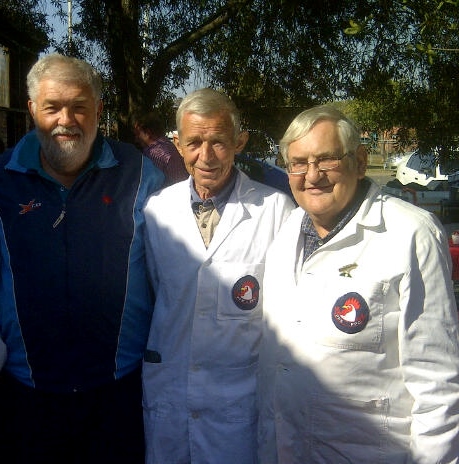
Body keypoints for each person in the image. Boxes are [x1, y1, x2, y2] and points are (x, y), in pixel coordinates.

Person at [257, 104, 459, 463]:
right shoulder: (286, 233)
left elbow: (437, 384)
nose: (312, 175)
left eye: (327, 159)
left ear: (360, 161)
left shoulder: (411, 233)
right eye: (298, 163)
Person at [0, 53, 164, 463]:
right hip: (26, 395)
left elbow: (174, 273)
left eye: (79, 107)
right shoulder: (2, 178)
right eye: (52, 107)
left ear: (99, 110)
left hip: (120, 394)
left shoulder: (140, 174)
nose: (66, 120)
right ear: (32, 109)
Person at [142, 88, 295, 463]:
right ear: (178, 145)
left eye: (219, 142)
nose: (206, 156)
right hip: (171, 395)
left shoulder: (277, 211)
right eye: (194, 142)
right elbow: (158, 292)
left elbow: (288, 314)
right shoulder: (157, 211)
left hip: (239, 403)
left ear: (240, 142)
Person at [133, 111, 189, 186]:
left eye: (137, 134)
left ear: (148, 132)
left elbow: (179, 182)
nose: (136, 139)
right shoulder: (166, 145)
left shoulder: (156, 154)